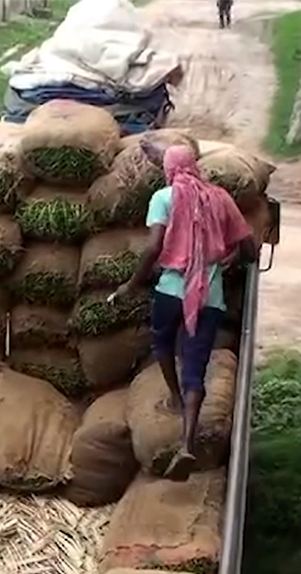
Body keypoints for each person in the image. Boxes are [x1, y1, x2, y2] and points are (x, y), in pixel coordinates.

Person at [112, 145, 256, 481]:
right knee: (196, 366)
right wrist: (232, 256)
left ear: (170, 170)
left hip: (171, 292)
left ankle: (174, 396)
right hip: (210, 296)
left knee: (162, 343)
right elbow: (249, 248)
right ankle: (187, 443)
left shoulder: (163, 198)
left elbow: (152, 247)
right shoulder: (220, 198)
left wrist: (131, 285)